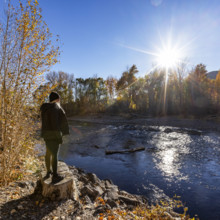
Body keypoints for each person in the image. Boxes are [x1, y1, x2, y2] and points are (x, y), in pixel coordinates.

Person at [40, 92, 69, 183]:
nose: (59, 100)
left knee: (48, 153)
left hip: (46, 134)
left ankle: (48, 172)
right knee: (55, 154)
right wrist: (63, 134)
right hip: (55, 134)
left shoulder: (44, 108)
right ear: (57, 99)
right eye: (59, 99)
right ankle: (55, 176)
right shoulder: (57, 107)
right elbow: (63, 121)